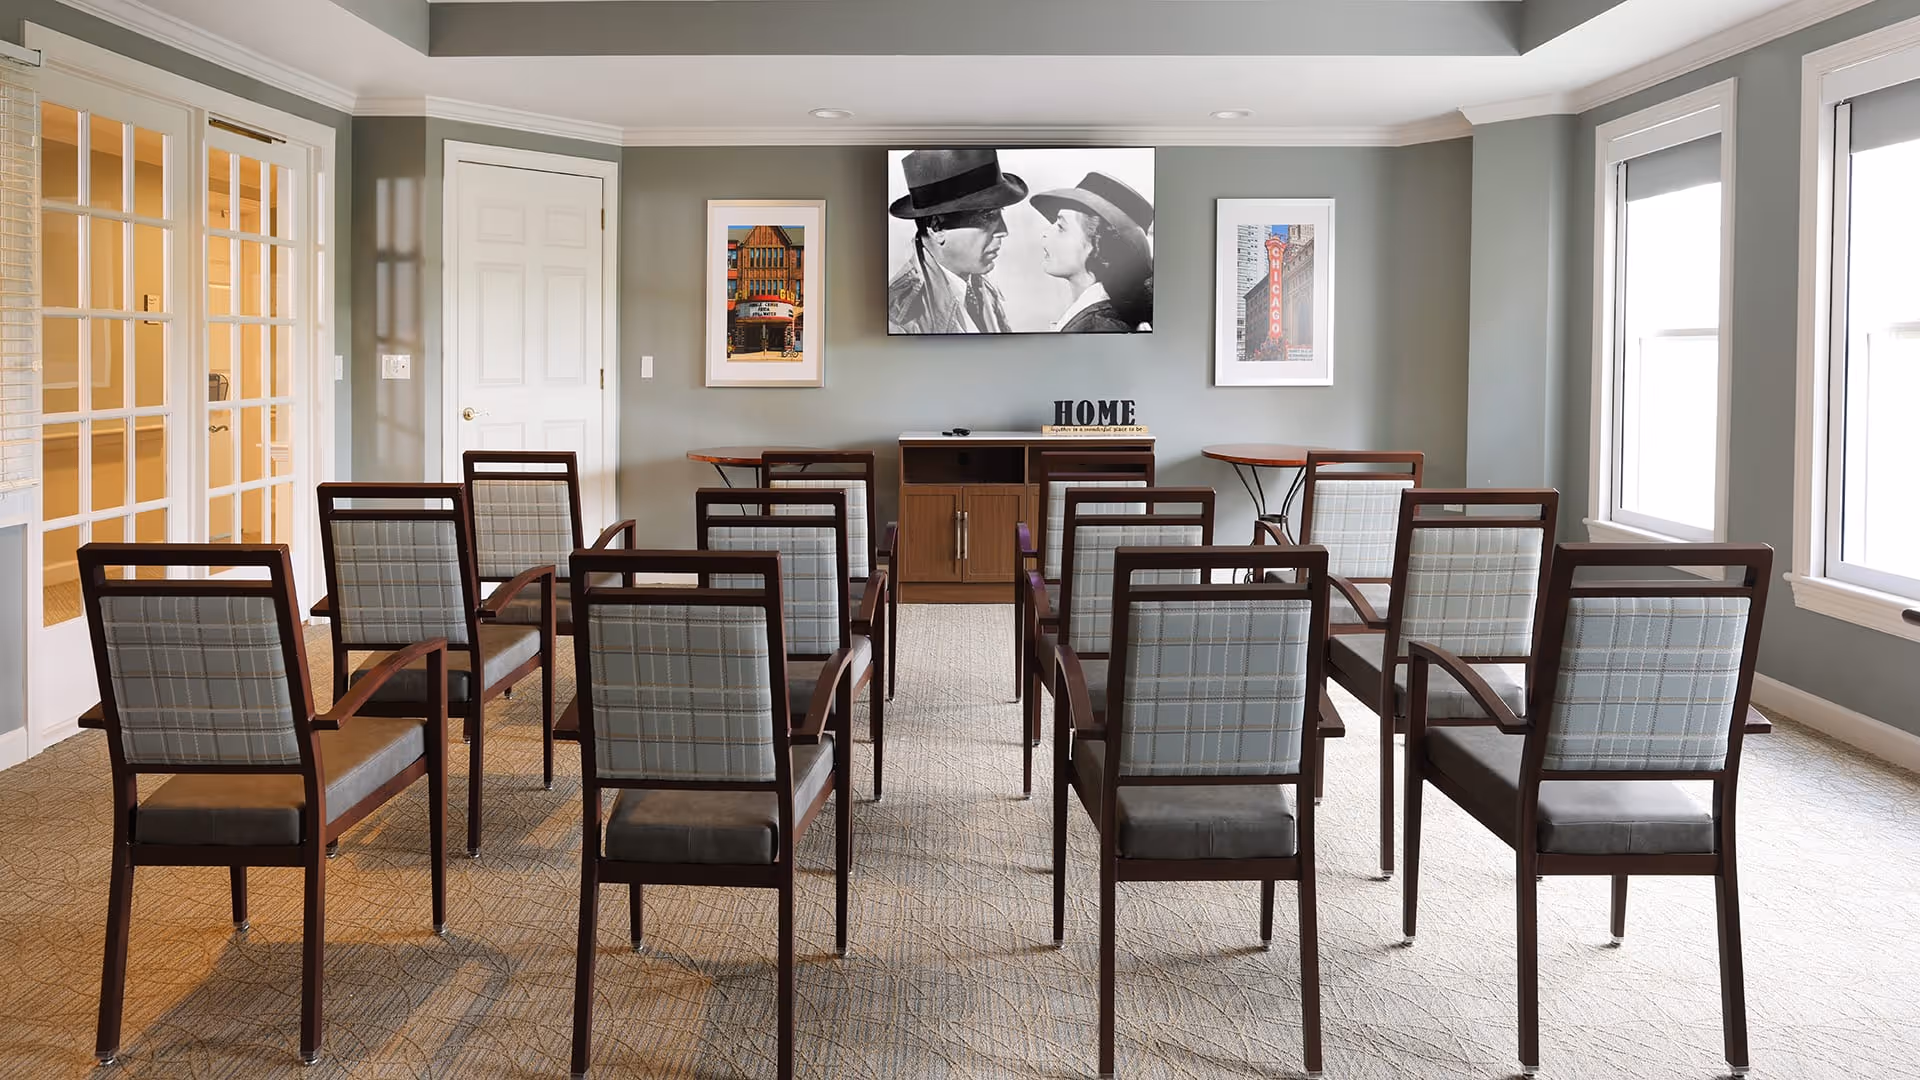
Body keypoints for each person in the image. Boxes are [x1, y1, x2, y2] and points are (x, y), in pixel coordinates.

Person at [887, 149, 1028, 334]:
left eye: (1000, 213)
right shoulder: (898, 319)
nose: (1003, 231)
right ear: (936, 228)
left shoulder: (980, 288)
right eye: (987, 216)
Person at [1031, 171, 1154, 333]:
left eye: (1061, 227)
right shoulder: (1094, 318)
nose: (1046, 233)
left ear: (1099, 247)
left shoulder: (1099, 328)